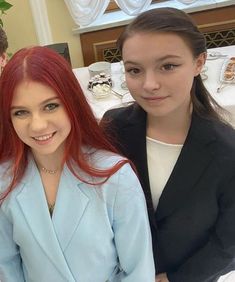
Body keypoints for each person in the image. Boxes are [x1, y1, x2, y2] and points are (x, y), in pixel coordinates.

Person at [101, 7, 235, 282]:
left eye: (168, 66)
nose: (149, 84)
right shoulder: (114, 128)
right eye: (135, 70)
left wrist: (176, 278)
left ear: (199, 63)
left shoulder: (226, 150)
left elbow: (230, 240)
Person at [0, 46, 155, 282]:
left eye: (50, 106)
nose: (38, 125)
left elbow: (138, 270)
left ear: (72, 103)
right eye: (21, 112)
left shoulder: (114, 176)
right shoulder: (4, 180)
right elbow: (6, 267)